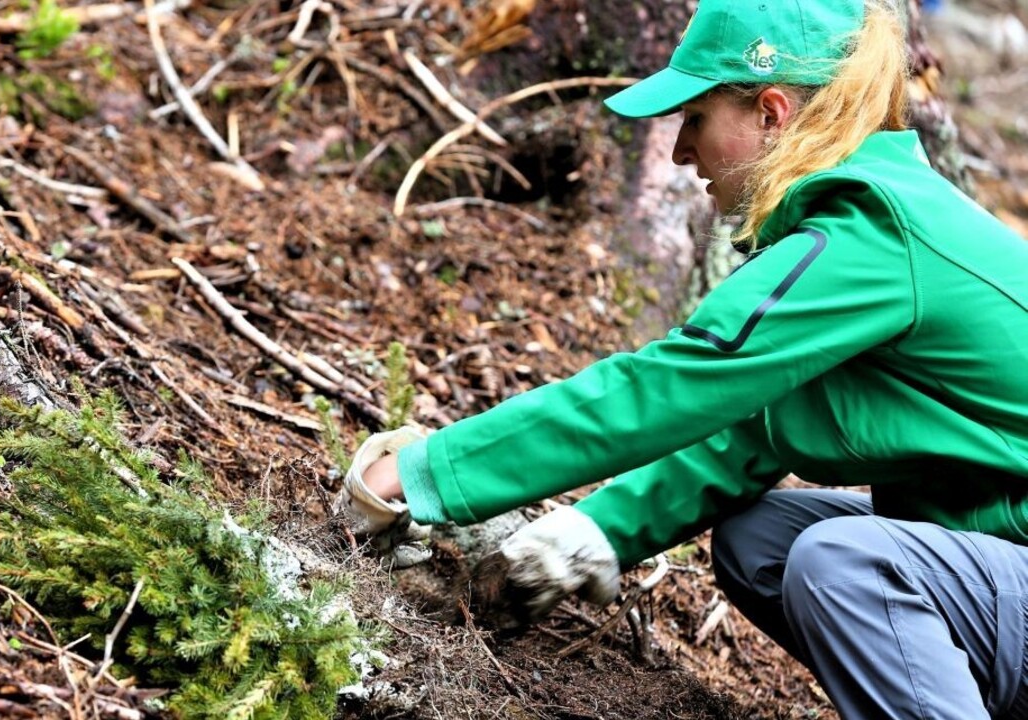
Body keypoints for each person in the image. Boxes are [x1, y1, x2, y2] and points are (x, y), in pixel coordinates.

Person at [337, 0, 1028, 717]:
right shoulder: (889, 224)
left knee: (846, 567)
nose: (679, 152)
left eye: (695, 119)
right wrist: (600, 529)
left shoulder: (873, 236)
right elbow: (757, 425)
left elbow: (668, 385)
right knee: (764, 542)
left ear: (771, 112)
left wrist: (420, 476)